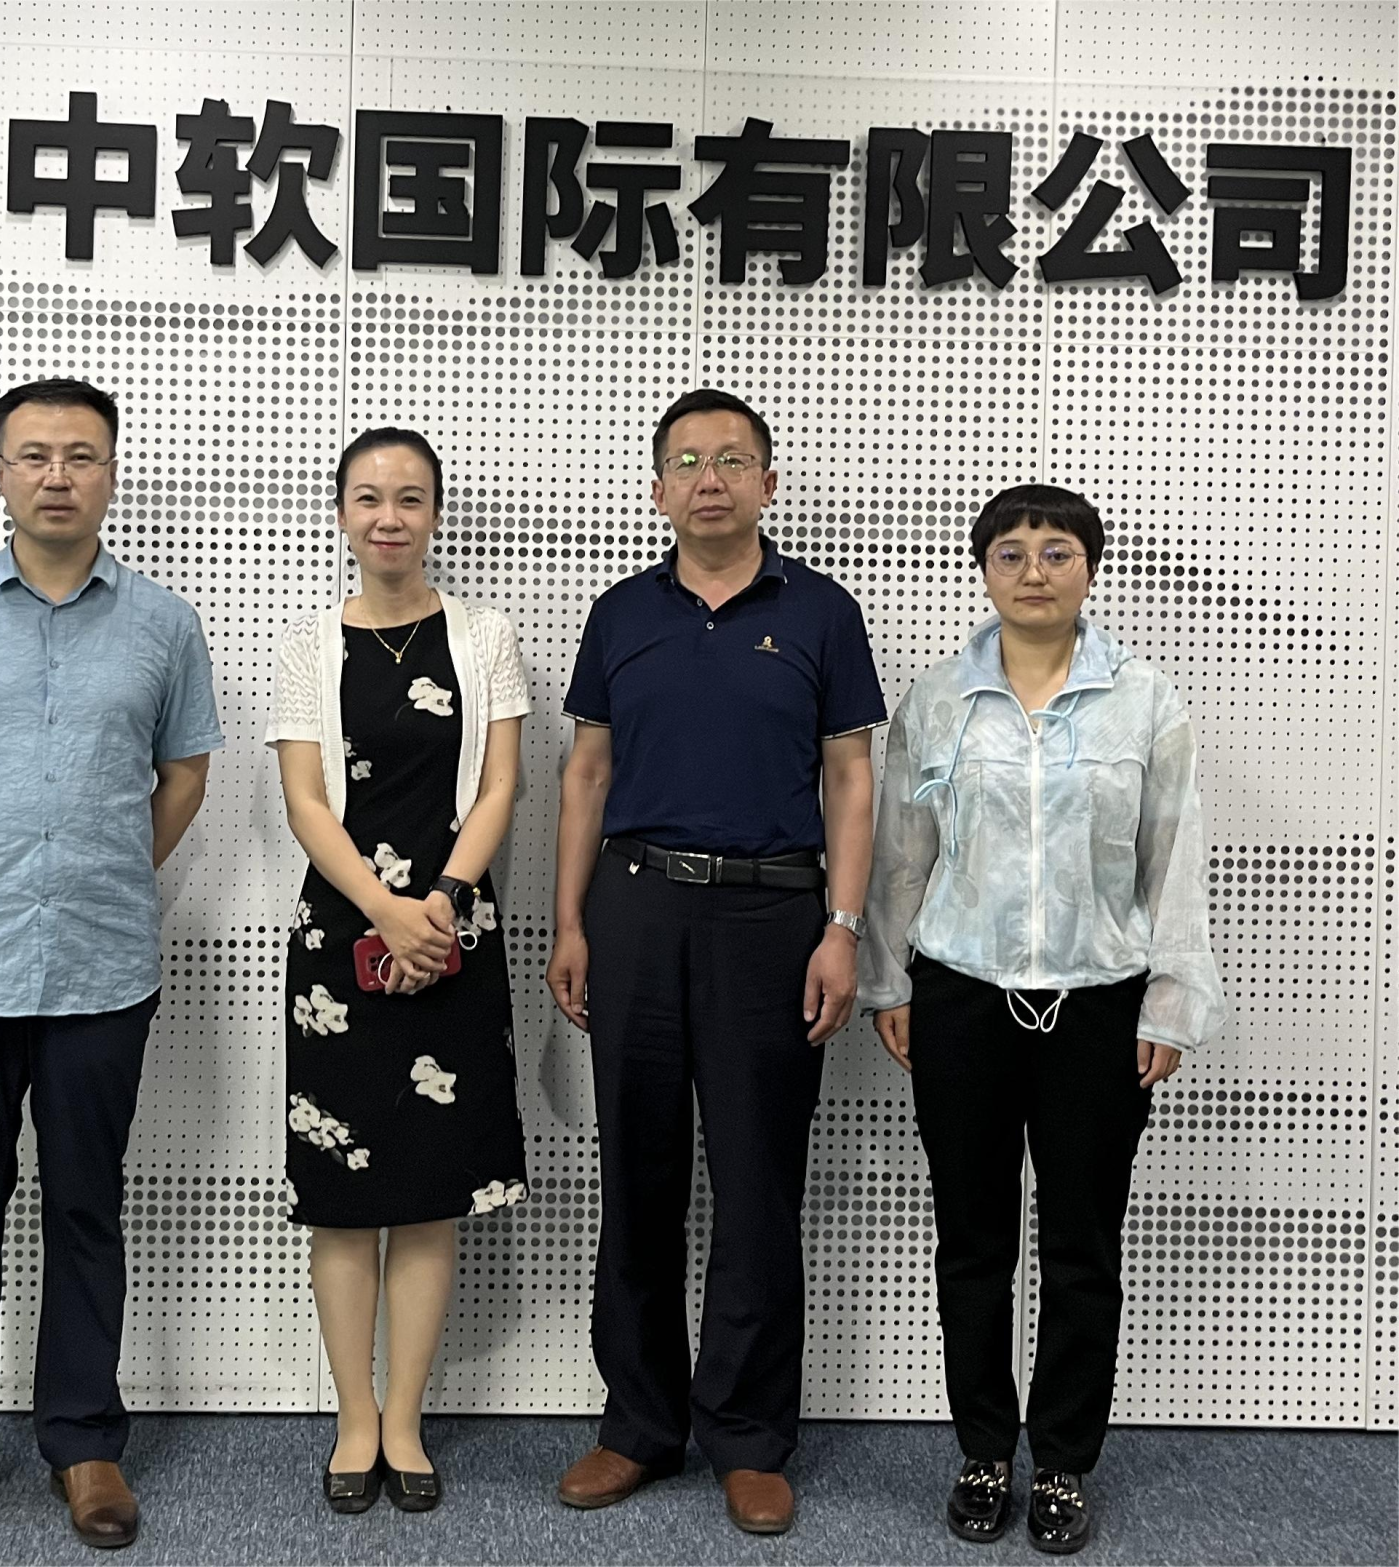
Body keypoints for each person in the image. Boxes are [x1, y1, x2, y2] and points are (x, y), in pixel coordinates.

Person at [0, 378, 222, 1552]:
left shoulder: (164, 624)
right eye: (33, 455)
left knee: (84, 1204)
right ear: (1, 471)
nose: (56, 475)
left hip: (102, 963)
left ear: (110, 474)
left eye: (79, 455)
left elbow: (182, 776)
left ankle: (83, 1441)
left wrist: (101, 866)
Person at [859, 484, 1225, 1554]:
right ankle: (982, 1448)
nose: (1032, 571)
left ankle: (1061, 1458)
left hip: (1099, 1006)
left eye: (1056, 551)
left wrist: (1170, 998)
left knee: (1080, 1247)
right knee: (972, 1242)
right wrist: (890, 982)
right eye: (1011, 552)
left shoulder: (1143, 700)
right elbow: (900, 856)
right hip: (961, 998)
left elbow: (1173, 858)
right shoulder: (938, 700)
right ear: (983, 570)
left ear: (1088, 568)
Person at [546, 389, 884, 1534]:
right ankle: (638, 1424)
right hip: (634, 908)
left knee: (754, 1182)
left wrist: (843, 925)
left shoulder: (821, 612)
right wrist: (568, 923)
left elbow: (848, 779)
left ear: (766, 485)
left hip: (772, 917)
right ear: (658, 489)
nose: (709, 479)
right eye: (687, 461)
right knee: (636, 1176)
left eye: (732, 460)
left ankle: (745, 1432)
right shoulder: (619, 613)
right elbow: (585, 773)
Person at [266, 428, 532, 1516]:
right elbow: (304, 801)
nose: (389, 517)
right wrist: (384, 910)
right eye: (369, 497)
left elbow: (501, 785)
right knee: (342, 1198)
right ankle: (354, 1418)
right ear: (342, 512)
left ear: (434, 514)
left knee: (428, 1193)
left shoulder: (483, 633)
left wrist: (443, 905)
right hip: (340, 944)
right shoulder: (304, 644)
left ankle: (407, 1421)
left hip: (455, 931)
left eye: (410, 497)